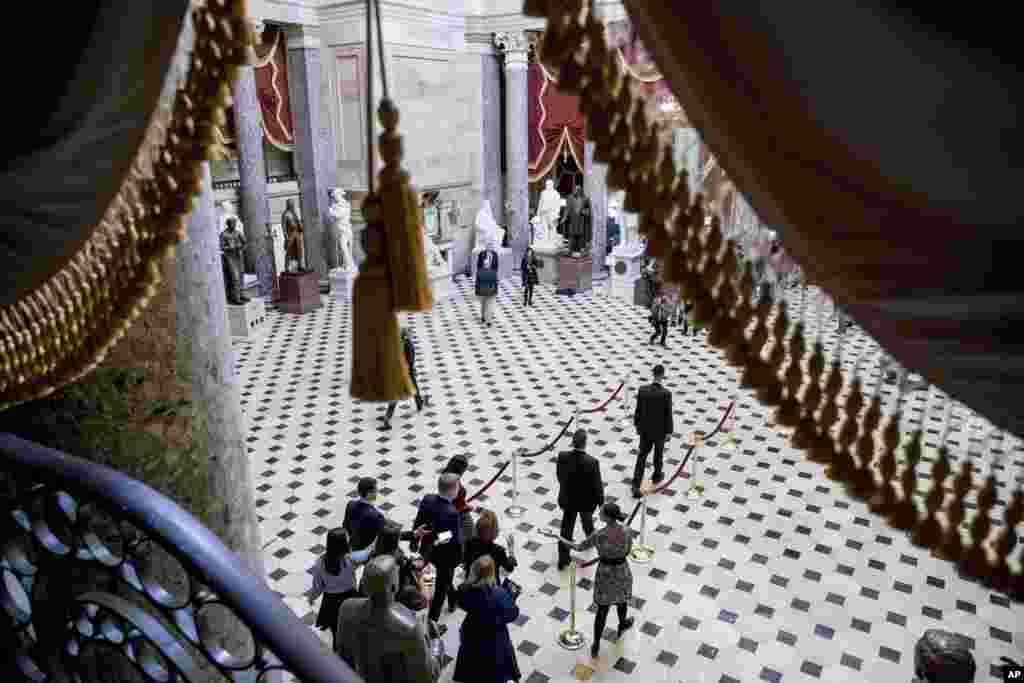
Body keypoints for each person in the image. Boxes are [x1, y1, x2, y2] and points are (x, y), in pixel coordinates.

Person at [335, 556, 443, 683]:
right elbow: (425, 678)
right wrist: (436, 644)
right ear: (394, 586)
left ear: (363, 585)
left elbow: (343, 654)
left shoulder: (346, 607)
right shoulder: (409, 627)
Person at [555, 502, 634, 660]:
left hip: (605, 573)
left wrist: (559, 537)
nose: (599, 513)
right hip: (622, 571)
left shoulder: (599, 535)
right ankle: (622, 624)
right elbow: (628, 550)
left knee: (602, 611)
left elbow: (578, 547)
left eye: (602, 512)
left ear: (607, 517)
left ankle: (596, 644)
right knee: (622, 601)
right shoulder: (627, 530)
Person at [452, 556, 521, 683]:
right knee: (495, 673)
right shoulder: (499, 594)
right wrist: (510, 597)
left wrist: (468, 583)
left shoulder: (465, 590)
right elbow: (512, 614)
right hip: (495, 639)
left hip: (472, 634)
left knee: (473, 668)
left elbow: (461, 603)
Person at [410, 473, 464, 626]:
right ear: (453, 490)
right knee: (441, 588)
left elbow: (419, 521)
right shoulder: (452, 513)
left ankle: (453, 599)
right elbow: (454, 539)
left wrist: (417, 539)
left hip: (427, 549)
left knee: (444, 581)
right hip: (445, 555)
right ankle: (432, 621)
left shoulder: (427, 499)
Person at [308, 528, 368, 650]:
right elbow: (367, 553)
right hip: (350, 598)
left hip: (331, 603)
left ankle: (338, 651)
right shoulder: (351, 560)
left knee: (336, 630)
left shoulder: (320, 563)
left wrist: (311, 598)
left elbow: (318, 587)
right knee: (353, 626)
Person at [555, 429, 604, 570]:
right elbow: (597, 486)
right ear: (585, 443)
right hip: (585, 502)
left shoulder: (562, 456)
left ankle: (563, 559)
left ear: (573, 442)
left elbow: (559, 476)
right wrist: (601, 504)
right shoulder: (592, 462)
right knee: (587, 522)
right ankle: (590, 541)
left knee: (566, 529)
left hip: (568, 500)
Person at [632, 364, 674, 498]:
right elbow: (668, 414)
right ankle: (656, 476)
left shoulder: (642, 390)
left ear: (653, 374)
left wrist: (637, 426)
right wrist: (669, 431)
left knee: (642, 456)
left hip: (645, 430)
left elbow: (638, 410)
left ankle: (635, 483)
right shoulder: (666, 393)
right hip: (659, 432)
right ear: (662, 375)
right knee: (658, 454)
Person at [366, 521, 427, 612]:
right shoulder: (396, 558)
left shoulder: (375, 550)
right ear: (395, 541)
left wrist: (414, 534)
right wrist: (414, 565)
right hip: (397, 589)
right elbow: (407, 570)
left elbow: (392, 536)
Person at [381, 328, 424, 430]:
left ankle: (388, 417)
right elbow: (410, 360)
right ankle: (419, 404)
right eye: (409, 334)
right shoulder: (409, 345)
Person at [463, 509, 517, 582]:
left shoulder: (468, 543)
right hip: (490, 586)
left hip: (470, 582)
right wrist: (511, 551)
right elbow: (509, 568)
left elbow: (465, 561)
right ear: (495, 532)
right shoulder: (498, 551)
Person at [343, 477, 386, 552]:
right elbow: (386, 535)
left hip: (352, 546)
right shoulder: (376, 516)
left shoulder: (350, 504)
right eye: (376, 490)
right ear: (369, 494)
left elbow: (346, 526)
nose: (377, 492)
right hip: (366, 552)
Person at [219, 217, 248, 305]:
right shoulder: (224, 234)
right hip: (230, 258)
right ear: (228, 224)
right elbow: (221, 247)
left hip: (238, 256)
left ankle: (241, 294)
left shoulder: (238, 233)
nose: (234, 225)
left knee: (241, 276)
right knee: (235, 278)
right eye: (232, 224)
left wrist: (241, 247)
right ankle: (235, 297)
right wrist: (229, 247)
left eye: (235, 224)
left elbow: (245, 243)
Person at [476, 245, 499, 326]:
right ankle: (483, 316)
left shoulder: (495, 255)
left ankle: (489, 320)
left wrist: (495, 287)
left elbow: (496, 270)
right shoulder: (481, 255)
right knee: (484, 302)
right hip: (483, 285)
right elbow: (478, 270)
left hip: (491, 285)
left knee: (490, 302)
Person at [281, 198, 305, 272]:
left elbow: (298, 222)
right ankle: (287, 267)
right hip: (290, 234)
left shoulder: (295, 213)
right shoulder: (285, 214)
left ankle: (300, 265)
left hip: (297, 233)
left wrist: (300, 225)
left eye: (293, 204)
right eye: (291, 204)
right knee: (289, 251)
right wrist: (286, 237)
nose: (292, 205)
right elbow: (284, 226)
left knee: (299, 250)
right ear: (288, 205)